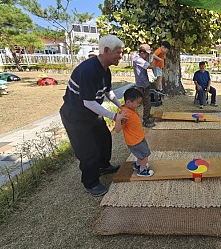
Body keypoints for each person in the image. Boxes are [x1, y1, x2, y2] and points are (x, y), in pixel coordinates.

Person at [59, 34, 127, 197]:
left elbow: (108, 92)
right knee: (88, 151)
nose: (121, 56)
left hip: (92, 114)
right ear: (106, 51)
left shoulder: (106, 71)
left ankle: (103, 166)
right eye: (118, 52)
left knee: (104, 139)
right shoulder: (88, 70)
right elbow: (88, 102)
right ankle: (91, 182)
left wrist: (121, 106)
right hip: (76, 117)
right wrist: (113, 116)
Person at [114, 88, 154, 177]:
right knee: (145, 155)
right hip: (135, 141)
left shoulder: (128, 109)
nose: (138, 105)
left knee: (141, 154)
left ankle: (138, 165)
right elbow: (117, 130)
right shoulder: (124, 114)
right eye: (137, 103)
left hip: (139, 138)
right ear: (129, 102)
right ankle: (142, 171)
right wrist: (118, 119)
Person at [133, 44, 156, 128]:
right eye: (147, 54)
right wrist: (155, 57)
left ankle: (147, 115)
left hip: (144, 84)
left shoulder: (139, 59)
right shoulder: (138, 59)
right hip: (141, 86)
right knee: (145, 103)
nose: (147, 56)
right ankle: (145, 121)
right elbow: (151, 65)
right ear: (142, 52)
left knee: (148, 103)